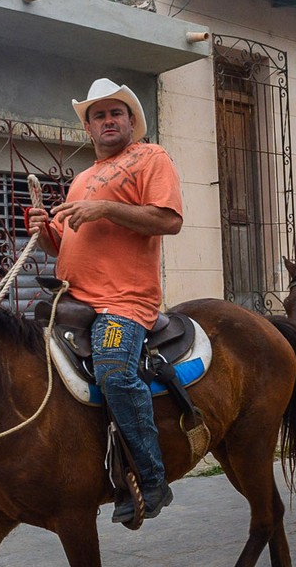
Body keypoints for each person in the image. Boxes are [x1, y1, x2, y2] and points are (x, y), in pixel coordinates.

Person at [26, 77, 183, 524]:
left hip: (123, 302)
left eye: (116, 112)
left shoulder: (151, 157)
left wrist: (106, 208)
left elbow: (169, 220)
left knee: (115, 371)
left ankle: (152, 478)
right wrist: (45, 230)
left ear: (131, 122)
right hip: (73, 300)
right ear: (89, 129)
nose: (108, 120)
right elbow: (64, 246)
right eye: (99, 115)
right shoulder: (82, 180)